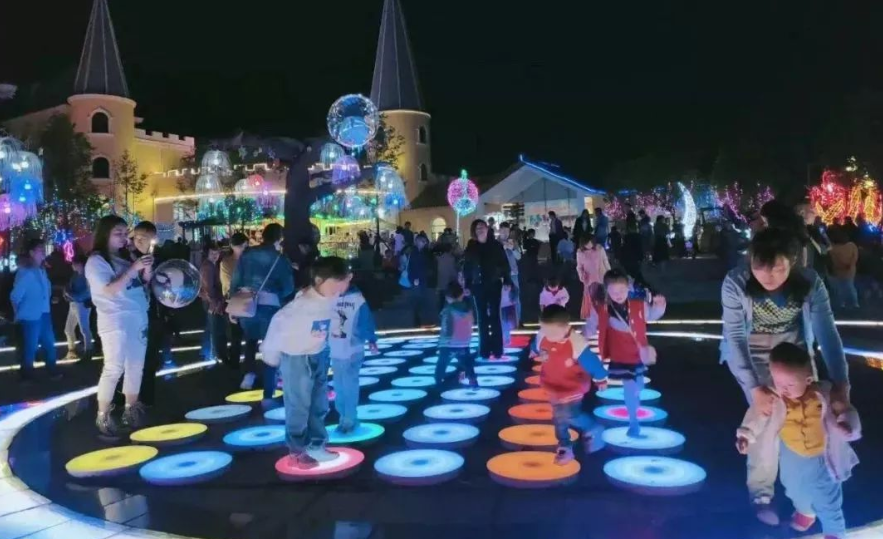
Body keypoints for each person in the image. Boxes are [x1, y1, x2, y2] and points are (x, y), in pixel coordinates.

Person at [721, 228, 851, 525]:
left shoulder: (809, 282)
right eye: (760, 266)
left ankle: (805, 499)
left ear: (792, 261)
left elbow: (827, 332)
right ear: (750, 259)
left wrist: (841, 383)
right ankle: (761, 494)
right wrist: (754, 388)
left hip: (794, 353)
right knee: (769, 415)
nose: (768, 276)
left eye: (778, 268)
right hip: (753, 353)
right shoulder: (736, 283)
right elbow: (735, 336)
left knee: (810, 415)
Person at [736, 343, 860, 538]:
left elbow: (844, 408)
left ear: (808, 379)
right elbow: (757, 414)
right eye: (778, 383)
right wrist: (746, 434)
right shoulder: (774, 397)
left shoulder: (824, 394)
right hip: (792, 455)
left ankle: (834, 532)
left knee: (828, 500)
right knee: (793, 488)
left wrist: (847, 425)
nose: (783, 389)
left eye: (790, 385)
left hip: (823, 457)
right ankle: (805, 511)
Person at [260, 256, 350, 469]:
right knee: (298, 406)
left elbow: (333, 321)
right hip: (296, 359)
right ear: (319, 280)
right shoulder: (297, 307)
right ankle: (297, 450)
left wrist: (338, 334)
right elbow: (277, 327)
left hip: (318, 355)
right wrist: (271, 357)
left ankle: (317, 444)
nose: (339, 288)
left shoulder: (330, 300)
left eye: (342, 282)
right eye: (336, 283)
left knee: (319, 404)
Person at [86, 215, 152, 436]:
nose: (124, 238)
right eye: (118, 233)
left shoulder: (125, 257)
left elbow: (139, 284)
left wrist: (146, 270)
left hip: (138, 316)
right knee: (114, 367)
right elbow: (109, 289)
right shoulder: (97, 261)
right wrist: (134, 269)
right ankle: (103, 414)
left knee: (136, 365)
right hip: (115, 319)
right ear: (105, 234)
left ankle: (131, 409)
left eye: (125, 233)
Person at [589, 269, 666, 438]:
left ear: (628, 288)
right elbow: (592, 323)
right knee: (630, 388)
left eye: (622, 290)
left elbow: (650, 316)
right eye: (614, 291)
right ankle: (633, 423)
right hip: (621, 356)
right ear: (607, 290)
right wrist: (583, 336)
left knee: (638, 386)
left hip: (638, 353)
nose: (618, 295)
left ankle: (634, 411)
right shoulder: (604, 309)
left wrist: (659, 308)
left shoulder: (639, 304)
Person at [532, 304, 608, 464]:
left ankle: (592, 427)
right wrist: (534, 350)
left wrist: (600, 378)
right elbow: (536, 345)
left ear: (566, 327)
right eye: (545, 330)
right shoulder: (542, 336)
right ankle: (564, 445)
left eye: (553, 333)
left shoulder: (576, 343)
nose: (549, 336)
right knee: (558, 417)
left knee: (570, 414)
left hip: (572, 386)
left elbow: (592, 362)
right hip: (552, 385)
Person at [229, 223, 295, 400]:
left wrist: (233, 303)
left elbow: (236, 279)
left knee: (250, 340)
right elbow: (288, 286)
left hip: (247, 302)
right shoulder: (279, 258)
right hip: (270, 305)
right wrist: (280, 295)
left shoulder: (247, 254)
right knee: (271, 343)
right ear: (279, 238)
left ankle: (248, 374)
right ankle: (270, 382)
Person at [329, 270, 378, 434]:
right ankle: (344, 417)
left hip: (351, 349)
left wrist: (371, 339)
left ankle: (349, 419)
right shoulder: (333, 297)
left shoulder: (356, 299)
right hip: (337, 349)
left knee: (347, 384)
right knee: (340, 385)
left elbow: (366, 321)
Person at [11, 238, 59, 381]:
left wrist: (49, 299)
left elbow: (44, 291)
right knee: (30, 346)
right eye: (40, 249)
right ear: (31, 253)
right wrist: (18, 314)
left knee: (49, 343)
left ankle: (52, 369)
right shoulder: (25, 272)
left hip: (44, 312)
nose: (43, 251)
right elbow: (15, 296)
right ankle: (27, 373)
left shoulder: (42, 270)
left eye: (44, 249)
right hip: (30, 315)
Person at [463, 219, 511, 359]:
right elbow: (467, 266)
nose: (480, 230)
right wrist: (467, 284)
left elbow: (504, 264)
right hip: (478, 285)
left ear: (487, 229)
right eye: (477, 228)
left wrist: (507, 280)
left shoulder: (495, 245)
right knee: (482, 317)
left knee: (495, 316)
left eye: (482, 227)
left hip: (494, 283)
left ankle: (497, 349)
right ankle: (484, 349)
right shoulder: (471, 246)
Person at [435, 282, 476, 386]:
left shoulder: (448, 310)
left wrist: (441, 341)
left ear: (449, 297)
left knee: (441, 366)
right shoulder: (469, 309)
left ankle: (438, 384)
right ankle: (473, 381)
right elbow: (471, 323)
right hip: (464, 343)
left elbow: (447, 329)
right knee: (468, 364)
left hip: (448, 344)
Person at [220, 232, 248, 370]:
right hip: (236, 301)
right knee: (236, 335)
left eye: (244, 246)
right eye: (240, 246)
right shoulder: (227, 262)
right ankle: (236, 362)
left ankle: (245, 363)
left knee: (246, 335)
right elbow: (227, 284)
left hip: (246, 300)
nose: (243, 249)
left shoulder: (248, 260)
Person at [199, 241, 226, 363]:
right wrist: (214, 303)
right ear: (207, 254)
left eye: (217, 253)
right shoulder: (208, 267)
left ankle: (206, 352)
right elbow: (208, 288)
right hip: (211, 301)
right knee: (213, 328)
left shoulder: (212, 264)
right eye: (212, 253)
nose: (215, 255)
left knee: (210, 327)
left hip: (210, 300)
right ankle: (212, 353)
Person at [63, 255, 93, 362]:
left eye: (74, 264)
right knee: (68, 329)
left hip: (82, 304)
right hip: (73, 304)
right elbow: (69, 287)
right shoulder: (75, 275)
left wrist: (72, 295)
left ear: (80, 264)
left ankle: (88, 351)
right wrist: (67, 294)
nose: (72, 266)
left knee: (84, 328)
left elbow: (88, 292)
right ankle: (72, 351)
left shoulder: (87, 276)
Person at [577, 236, 611, 318]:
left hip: (601, 276)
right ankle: (592, 315)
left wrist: (610, 272)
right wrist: (581, 275)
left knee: (603, 295)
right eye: (586, 244)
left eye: (590, 243)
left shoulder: (599, 249)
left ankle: (604, 314)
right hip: (588, 278)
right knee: (591, 297)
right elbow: (579, 267)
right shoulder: (580, 253)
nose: (589, 245)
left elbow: (605, 261)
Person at [827, 227, 859, 310]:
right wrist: (851, 264)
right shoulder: (851, 245)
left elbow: (834, 260)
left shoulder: (833, 248)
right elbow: (855, 256)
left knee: (841, 288)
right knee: (850, 286)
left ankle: (843, 303)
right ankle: (854, 303)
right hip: (849, 269)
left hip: (839, 270)